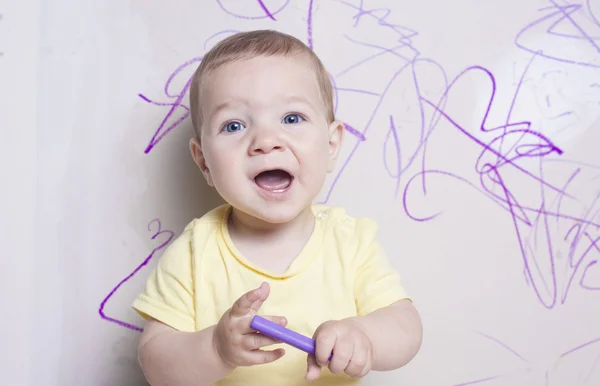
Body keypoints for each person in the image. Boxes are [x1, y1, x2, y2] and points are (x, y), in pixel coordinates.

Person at [132, 29, 423, 386]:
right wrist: (216, 349)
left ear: (331, 145)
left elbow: (406, 326)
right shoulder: (194, 252)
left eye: (291, 118)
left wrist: (363, 335)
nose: (266, 142)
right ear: (204, 162)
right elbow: (156, 363)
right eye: (234, 125)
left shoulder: (350, 241)